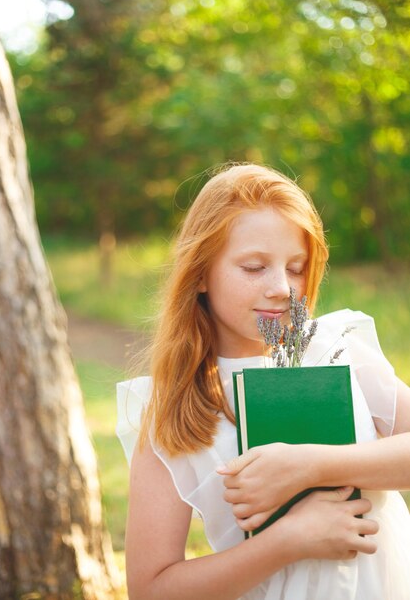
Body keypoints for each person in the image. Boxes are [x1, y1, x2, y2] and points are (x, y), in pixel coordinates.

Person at [116, 163, 410, 600]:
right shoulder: (173, 409)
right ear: (199, 273)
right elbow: (151, 588)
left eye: (296, 268)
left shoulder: (334, 352)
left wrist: (311, 465)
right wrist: (287, 540)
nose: (281, 288)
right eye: (254, 267)